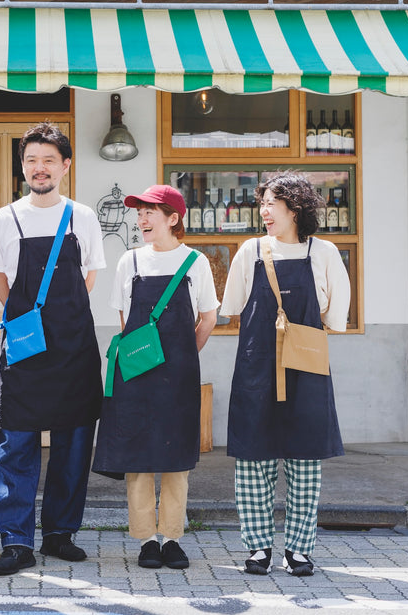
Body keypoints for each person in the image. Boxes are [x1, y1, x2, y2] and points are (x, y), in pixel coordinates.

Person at [0, 123, 105, 576]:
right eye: (32, 160)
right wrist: (28, 319)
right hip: (25, 344)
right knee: (15, 442)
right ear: (23, 166)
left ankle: (59, 533)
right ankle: (16, 540)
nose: (40, 168)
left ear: (66, 166)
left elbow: (89, 276)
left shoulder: (82, 216)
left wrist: (63, 316)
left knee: (73, 443)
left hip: (74, 347)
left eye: (49, 160)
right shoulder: (4, 218)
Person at [220, 172, 350, 577]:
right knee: (253, 461)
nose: (263, 211)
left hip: (306, 369)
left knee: (305, 462)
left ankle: (298, 550)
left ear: (295, 208)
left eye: (271, 203)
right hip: (257, 367)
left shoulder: (325, 252)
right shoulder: (250, 250)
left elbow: (336, 316)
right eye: (262, 203)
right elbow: (232, 305)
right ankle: (258, 548)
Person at [93, 185, 218, 570]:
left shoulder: (196, 262)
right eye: (139, 213)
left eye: (150, 212)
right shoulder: (129, 262)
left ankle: (173, 539)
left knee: (176, 456)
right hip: (136, 372)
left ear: (173, 219)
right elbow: (124, 319)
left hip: (178, 374)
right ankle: (147, 539)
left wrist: (181, 355)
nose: (141, 219)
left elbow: (208, 318)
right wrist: (145, 359)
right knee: (138, 457)